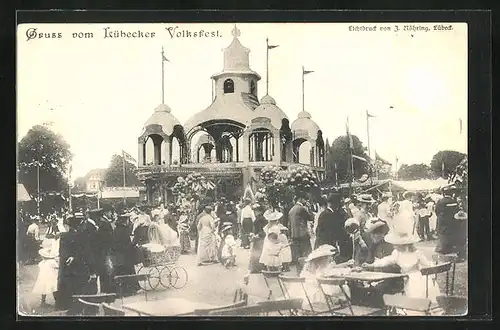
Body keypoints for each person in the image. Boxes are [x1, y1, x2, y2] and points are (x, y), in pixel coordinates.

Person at [363, 230, 443, 315]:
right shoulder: (397, 254)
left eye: (396, 244)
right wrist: (372, 265)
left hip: (419, 278)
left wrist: (433, 269)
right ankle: (415, 310)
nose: (394, 246)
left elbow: (427, 265)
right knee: (411, 294)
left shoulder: (417, 253)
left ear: (402, 245)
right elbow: (385, 261)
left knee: (419, 292)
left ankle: (422, 310)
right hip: (407, 278)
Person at [289, 245, 352, 312]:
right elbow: (329, 272)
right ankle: (342, 301)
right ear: (322, 260)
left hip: (306, 290)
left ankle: (338, 300)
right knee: (344, 286)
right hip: (316, 292)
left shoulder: (308, 271)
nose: (329, 260)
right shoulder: (320, 271)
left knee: (330, 287)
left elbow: (330, 270)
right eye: (328, 259)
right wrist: (347, 269)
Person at [56, 213, 97, 311]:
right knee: (80, 286)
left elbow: (62, 252)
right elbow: (86, 252)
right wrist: (92, 269)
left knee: (70, 286)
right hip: (80, 266)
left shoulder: (64, 236)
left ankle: (69, 304)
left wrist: (69, 257)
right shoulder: (83, 236)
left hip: (68, 267)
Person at [111, 213, 140, 297]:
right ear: (125, 220)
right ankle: (129, 290)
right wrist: (132, 245)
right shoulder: (124, 230)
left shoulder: (117, 229)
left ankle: (121, 291)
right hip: (124, 254)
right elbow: (126, 243)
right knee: (127, 271)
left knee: (120, 272)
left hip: (119, 255)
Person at [33, 238, 59, 307]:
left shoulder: (41, 263)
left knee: (43, 290)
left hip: (43, 279)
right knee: (54, 289)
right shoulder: (52, 262)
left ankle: (43, 302)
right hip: (51, 278)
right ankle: (57, 302)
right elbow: (57, 267)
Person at [288, 196, 313, 266]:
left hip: (294, 235)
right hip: (303, 235)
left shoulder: (291, 210)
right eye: (305, 199)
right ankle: (306, 271)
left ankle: (299, 272)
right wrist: (309, 208)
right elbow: (311, 218)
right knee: (307, 254)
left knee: (298, 255)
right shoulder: (302, 208)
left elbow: (289, 225)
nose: (306, 201)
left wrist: (290, 236)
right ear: (300, 199)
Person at [435, 186, 460, 255]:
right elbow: (456, 211)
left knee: (443, 234)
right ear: (451, 193)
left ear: (444, 193)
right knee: (450, 234)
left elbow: (436, 211)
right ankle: (450, 248)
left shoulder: (440, 201)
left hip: (442, 220)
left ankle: (443, 249)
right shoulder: (453, 201)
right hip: (452, 220)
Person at [247, 204, 267, 274]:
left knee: (258, 252)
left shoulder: (262, 219)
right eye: (255, 211)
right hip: (257, 237)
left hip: (260, 237)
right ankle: (256, 268)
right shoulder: (258, 218)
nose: (255, 212)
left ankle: (258, 268)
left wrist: (258, 235)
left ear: (260, 211)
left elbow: (264, 230)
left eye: (257, 210)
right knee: (256, 252)